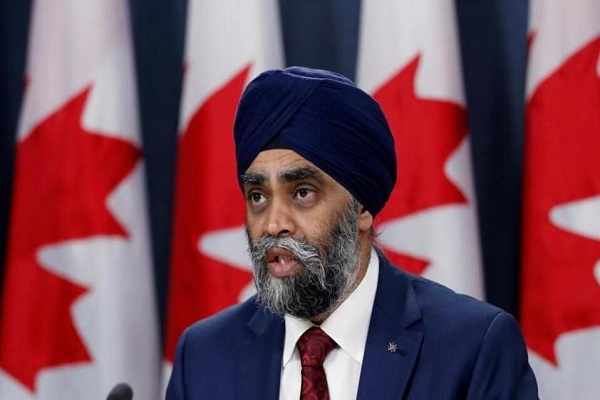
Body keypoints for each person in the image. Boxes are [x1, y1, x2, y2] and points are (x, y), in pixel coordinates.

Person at [166, 67, 538, 399]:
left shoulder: (471, 348)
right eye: (258, 196)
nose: (273, 224)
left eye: (302, 193)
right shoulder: (202, 356)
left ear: (362, 208)